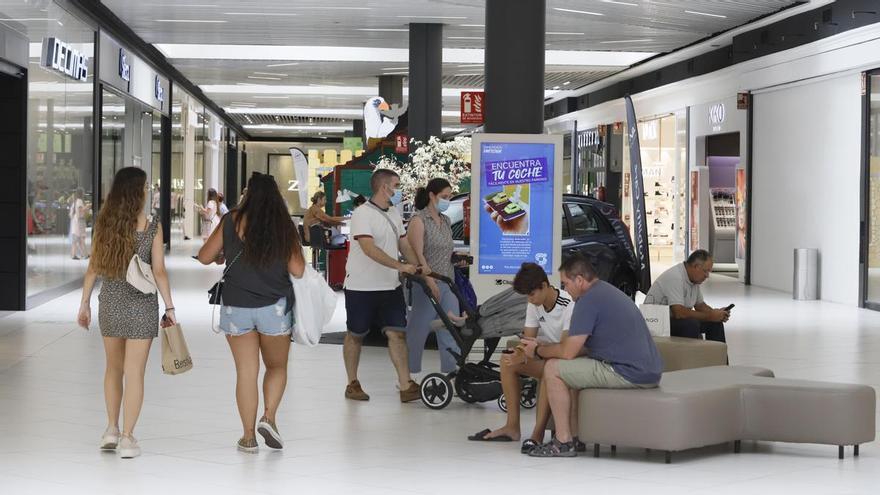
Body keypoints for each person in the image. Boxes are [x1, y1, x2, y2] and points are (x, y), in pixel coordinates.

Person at [198, 173, 305, 453]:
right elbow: (298, 269)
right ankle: (268, 418)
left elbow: (206, 256)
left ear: (248, 195)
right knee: (277, 367)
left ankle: (247, 437)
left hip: (236, 306)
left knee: (246, 372)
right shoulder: (284, 224)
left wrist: (226, 251)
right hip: (275, 306)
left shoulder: (231, 219)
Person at [77, 167, 177, 459]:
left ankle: (110, 429)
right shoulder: (152, 225)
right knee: (135, 374)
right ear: (139, 191)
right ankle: (128, 437)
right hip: (142, 305)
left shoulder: (104, 223)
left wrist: (84, 303)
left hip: (110, 302)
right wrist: (170, 307)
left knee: (113, 369)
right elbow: (158, 271)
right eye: (145, 187)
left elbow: (93, 267)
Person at [521, 253, 663, 457]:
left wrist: (536, 350)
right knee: (571, 368)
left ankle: (563, 441)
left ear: (579, 280)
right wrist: (547, 346)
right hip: (648, 370)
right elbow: (580, 348)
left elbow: (568, 352)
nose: (564, 290)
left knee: (553, 368)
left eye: (565, 284)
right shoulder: (604, 292)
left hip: (628, 372)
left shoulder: (587, 301)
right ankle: (576, 437)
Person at [469, 262, 585, 455]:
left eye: (532, 294)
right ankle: (512, 427)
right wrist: (520, 354)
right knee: (507, 363)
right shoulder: (534, 304)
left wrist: (537, 348)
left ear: (544, 286)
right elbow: (528, 339)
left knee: (551, 367)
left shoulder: (568, 305)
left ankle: (537, 434)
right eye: (527, 296)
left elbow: (564, 348)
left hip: (563, 361)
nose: (530, 300)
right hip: (544, 354)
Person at [343, 169, 421, 402]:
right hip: (361, 287)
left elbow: (404, 243)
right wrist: (400, 266)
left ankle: (406, 385)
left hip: (390, 287)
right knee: (355, 335)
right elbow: (369, 249)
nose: (399, 190)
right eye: (396, 185)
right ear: (383, 187)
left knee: (397, 333)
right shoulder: (362, 214)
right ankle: (352, 383)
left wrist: (416, 266)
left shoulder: (395, 213)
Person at [404, 178, 462, 376]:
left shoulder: (446, 221)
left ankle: (451, 371)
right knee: (418, 330)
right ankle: (409, 375)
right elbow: (416, 255)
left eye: (449, 196)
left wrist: (456, 259)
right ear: (431, 195)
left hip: (447, 280)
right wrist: (428, 280)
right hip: (424, 284)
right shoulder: (418, 221)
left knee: (450, 327)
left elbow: (445, 250)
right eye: (444, 197)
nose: (447, 200)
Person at [644, 249, 730, 343]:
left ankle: (718, 357)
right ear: (696, 266)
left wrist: (716, 313)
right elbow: (679, 313)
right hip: (656, 322)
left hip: (671, 320)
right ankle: (691, 356)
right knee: (690, 324)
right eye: (706, 271)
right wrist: (710, 315)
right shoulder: (675, 277)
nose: (707, 275)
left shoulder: (694, 280)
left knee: (715, 323)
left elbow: (700, 306)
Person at [69, 188, 88, 260]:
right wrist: (87, 207)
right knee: (81, 238)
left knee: (76, 240)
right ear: (81, 194)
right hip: (79, 222)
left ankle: (76, 254)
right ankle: (84, 254)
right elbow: (81, 210)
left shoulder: (74, 202)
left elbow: (70, 214)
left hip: (74, 222)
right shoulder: (79, 201)